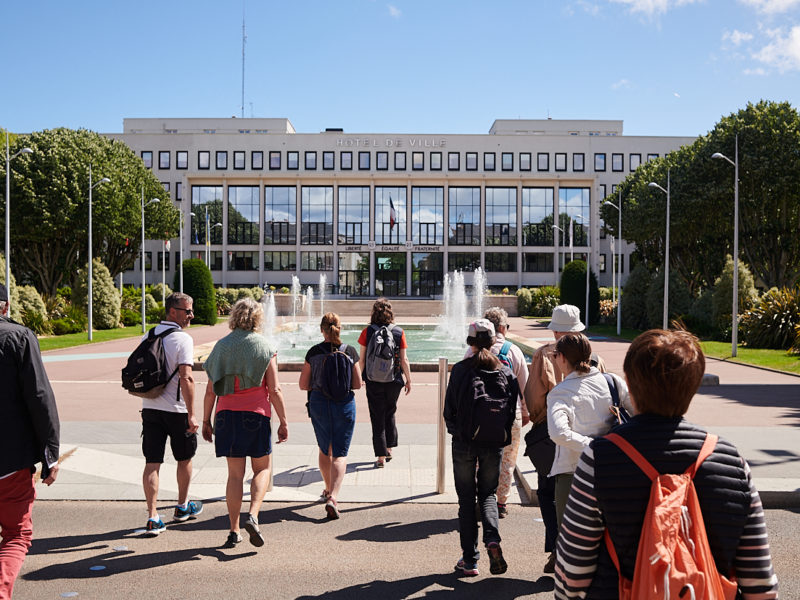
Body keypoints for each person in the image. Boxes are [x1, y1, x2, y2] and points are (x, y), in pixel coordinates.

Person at [555, 329, 778, 599]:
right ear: (694, 385)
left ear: (629, 381)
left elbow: (572, 573)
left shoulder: (599, 459)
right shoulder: (732, 462)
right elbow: (761, 585)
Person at [201, 298, 289, 548]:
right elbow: (275, 389)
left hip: (226, 416)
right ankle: (253, 515)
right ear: (258, 319)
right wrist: (283, 421)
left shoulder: (221, 347)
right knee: (262, 469)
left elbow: (210, 391)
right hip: (257, 415)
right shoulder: (265, 347)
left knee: (234, 475)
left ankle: (233, 529)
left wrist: (206, 420)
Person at [524, 304, 602, 573]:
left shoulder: (544, 354)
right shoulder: (594, 356)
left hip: (552, 433)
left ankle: (557, 547)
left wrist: (537, 418)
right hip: (591, 435)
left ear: (556, 329)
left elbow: (534, 397)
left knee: (548, 492)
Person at [444, 319, 518, 578]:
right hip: (494, 443)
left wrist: (458, 432)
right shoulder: (505, 371)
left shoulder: (462, 370)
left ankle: (470, 560)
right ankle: (492, 540)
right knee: (487, 495)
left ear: (470, 342)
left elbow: (448, 411)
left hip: (465, 442)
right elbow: (511, 412)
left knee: (466, 500)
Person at [0, 283, 60, 599]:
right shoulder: (19, 337)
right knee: (15, 535)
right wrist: (50, 453)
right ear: (6, 307)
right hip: (10, 459)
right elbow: (39, 397)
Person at [546, 332, 630, 529]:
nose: (554, 359)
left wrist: (593, 446)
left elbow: (559, 433)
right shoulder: (612, 382)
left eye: (555, 355)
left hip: (573, 471)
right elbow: (638, 413)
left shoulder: (560, 392)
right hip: (613, 468)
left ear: (563, 358)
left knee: (573, 538)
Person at [140, 292, 203, 536]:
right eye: (188, 311)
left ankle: (153, 516)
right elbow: (186, 377)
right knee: (184, 459)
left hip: (150, 407)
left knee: (152, 462)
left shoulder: (149, 334)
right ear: (173, 311)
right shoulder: (182, 339)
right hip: (176, 410)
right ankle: (182, 506)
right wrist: (192, 414)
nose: (191, 315)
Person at [463, 307, 529, 518]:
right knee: (507, 461)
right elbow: (523, 386)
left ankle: (479, 499)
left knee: (478, 460)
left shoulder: (472, 351)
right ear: (501, 327)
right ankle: (499, 503)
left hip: (478, 416)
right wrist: (525, 413)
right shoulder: (513, 350)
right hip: (509, 415)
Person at [299, 312, 362, 520]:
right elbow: (357, 384)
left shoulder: (313, 352)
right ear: (339, 328)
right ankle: (333, 497)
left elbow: (302, 384)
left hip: (319, 403)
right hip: (344, 403)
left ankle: (327, 489)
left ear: (321, 330)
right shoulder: (350, 351)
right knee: (340, 452)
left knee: (325, 448)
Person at [357, 298, 412, 468]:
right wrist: (409, 380)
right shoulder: (399, 332)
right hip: (394, 379)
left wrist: (359, 378)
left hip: (373, 380)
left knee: (376, 416)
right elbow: (404, 360)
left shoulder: (367, 332)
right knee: (390, 412)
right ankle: (389, 449)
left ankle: (380, 457)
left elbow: (362, 360)